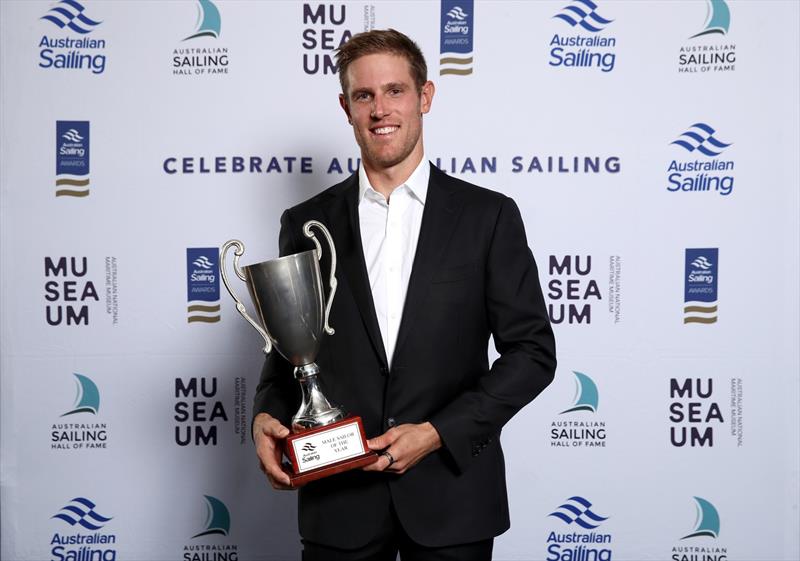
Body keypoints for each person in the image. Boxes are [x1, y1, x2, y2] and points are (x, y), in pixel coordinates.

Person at [252, 29, 556, 561]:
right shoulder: (305, 224)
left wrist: (439, 432)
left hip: (452, 501)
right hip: (339, 503)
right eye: (364, 96)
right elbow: (289, 359)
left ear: (425, 97)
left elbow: (533, 353)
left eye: (394, 91)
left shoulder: (488, 217)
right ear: (345, 108)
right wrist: (263, 416)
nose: (380, 110)